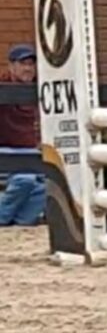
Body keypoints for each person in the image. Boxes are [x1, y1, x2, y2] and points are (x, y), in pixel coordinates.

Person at [0, 44, 46, 226]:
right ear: (11, 66)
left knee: (50, 183)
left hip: (32, 153)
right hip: (7, 152)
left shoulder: (39, 91)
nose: (28, 68)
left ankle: (19, 223)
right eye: (23, 63)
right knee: (25, 180)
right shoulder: (4, 88)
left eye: (31, 64)